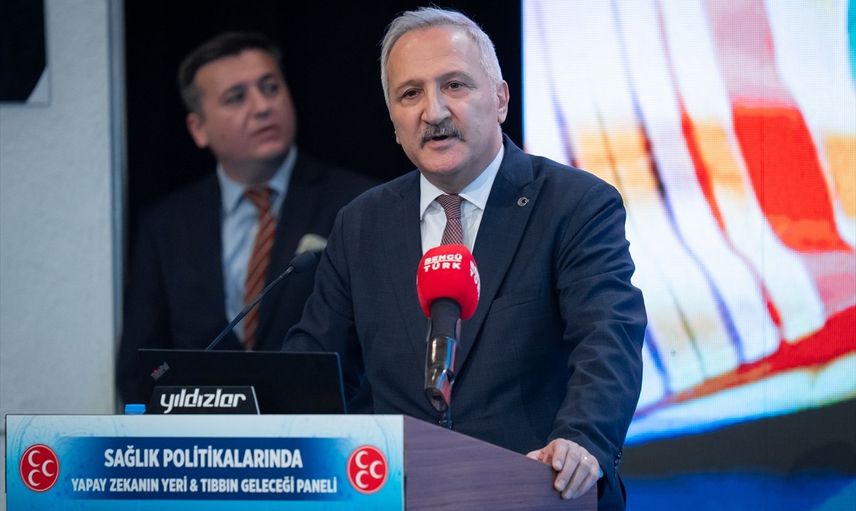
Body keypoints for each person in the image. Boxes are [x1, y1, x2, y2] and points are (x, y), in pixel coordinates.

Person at [283, 8, 645, 510]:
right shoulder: (361, 224)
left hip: (539, 493)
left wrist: (581, 438)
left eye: (454, 85)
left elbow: (608, 338)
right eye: (410, 94)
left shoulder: (574, 204)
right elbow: (315, 368)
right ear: (393, 122)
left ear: (500, 99)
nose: (433, 112)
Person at [116, 32, 376, 405]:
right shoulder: (166, 225)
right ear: (198, 128)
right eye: (236, 98)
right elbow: (138, 370)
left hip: (325, 432)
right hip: (200, 436)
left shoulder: (358, 204)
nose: (262, 107)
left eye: (270, 88)